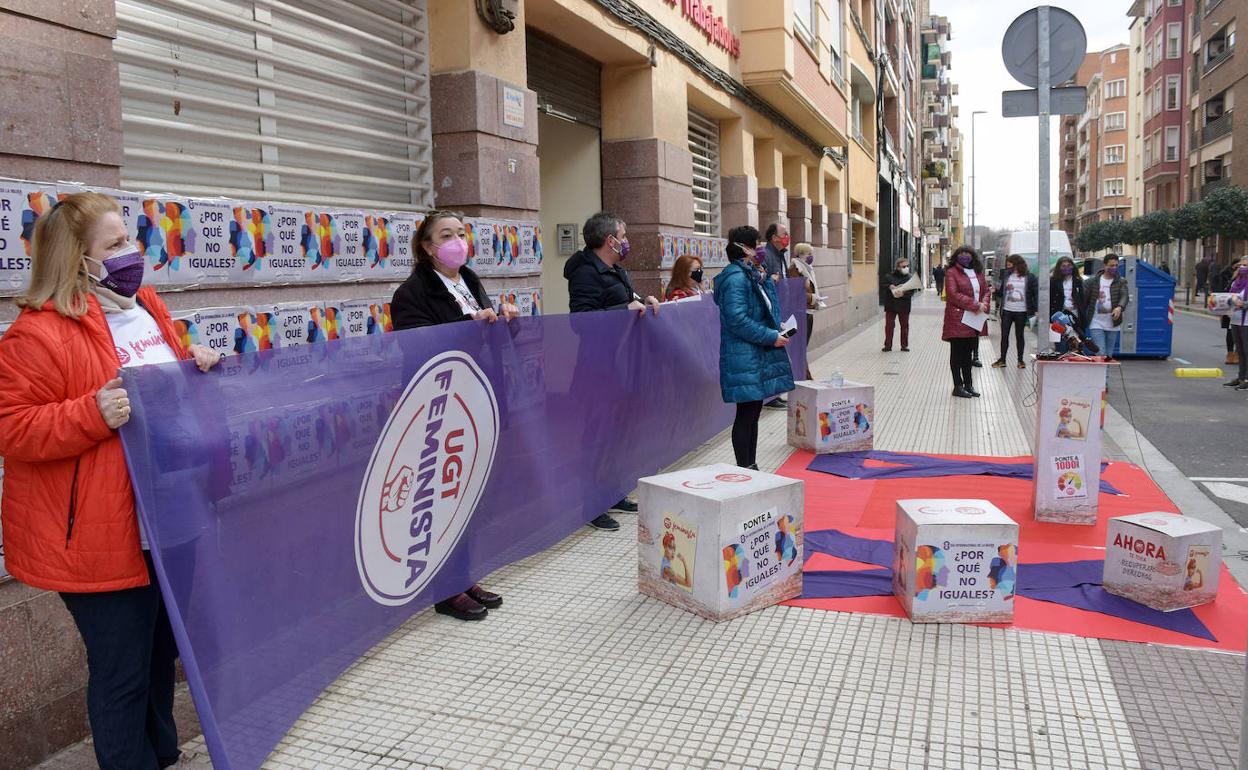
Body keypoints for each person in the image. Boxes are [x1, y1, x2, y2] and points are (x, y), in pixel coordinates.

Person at [0, 192, 223, 770]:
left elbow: (164, 388)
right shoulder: (36, 334)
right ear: (78, 260)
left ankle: (162, 756)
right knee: (121, 672)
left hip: (171, 514)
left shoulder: (143, 304)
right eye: (117, 243)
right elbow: (12, 427)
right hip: (103, 532)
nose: (134, 251)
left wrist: (192, 360)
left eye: (129, 237)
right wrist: (89, 414)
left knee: (158, 656)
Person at [391, 209, 518, 620]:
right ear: (427, 246)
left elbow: (487, 335)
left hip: (476, 400)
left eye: (461, 233)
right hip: (441, 407)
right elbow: (419, 351)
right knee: (440, 496)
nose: (457, 240)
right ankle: (444, 587)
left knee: (467, 491)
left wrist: (505, 322)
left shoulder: (470, 281)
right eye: (446, 234)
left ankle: (461, 574)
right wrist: (469, 325)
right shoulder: (411, 294)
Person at [564, 211, 659, 530]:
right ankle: (592, 505)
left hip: (622, 364)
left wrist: (641, 300)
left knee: (617, 433)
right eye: (624, 234)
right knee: (597, 436)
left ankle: (612, 491)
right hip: (598, 368)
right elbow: (581, 322)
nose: (627, 240)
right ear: (610, 240)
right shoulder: (585, 273)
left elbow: (625, 300)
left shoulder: (615, 269)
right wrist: (623, 310)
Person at [714, 225, 795, 468]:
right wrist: (770, 336)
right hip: (744, 355)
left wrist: (776, 325)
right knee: (746, 413)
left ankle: (752, 466)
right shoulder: (736, 278)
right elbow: (737, 320)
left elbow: (763, 308)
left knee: (753, 412)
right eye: (756, 245)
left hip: (755, 353)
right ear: (744, 248)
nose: (760, 249)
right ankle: (745, 467)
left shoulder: (751, 274)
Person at [941, 245, 990, 398]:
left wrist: (985, 303)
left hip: (974, 319)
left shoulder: (978, 273)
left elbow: (986, 291)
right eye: (961, 253)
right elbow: (953, 295)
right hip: (958, 318)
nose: (965, 256)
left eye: (968, 253)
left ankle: (969, 384)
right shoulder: (951, 273)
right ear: (956, 256)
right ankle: (958, 386)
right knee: (957, 354)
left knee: (968, 354)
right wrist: (976, 305)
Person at [991, 254, 1037, 369]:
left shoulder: (1029, 277)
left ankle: (1020, 360)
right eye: (1007, 265)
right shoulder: (1006, 275)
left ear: (1017, 264)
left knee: (1019, 335)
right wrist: (995, 291)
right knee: (1004, 335)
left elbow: (1035, 294)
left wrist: (1036, 309)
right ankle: (1002, 359)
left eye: (1010, 264)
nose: (1008, 267)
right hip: (1007, 310)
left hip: (1021, 311)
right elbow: (1001, 292)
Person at [1083, 252, 1130, 362]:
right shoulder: (1092, 281)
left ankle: (1105, 379)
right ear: (1105, 265)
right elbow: (1084, 298)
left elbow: (1124, 296)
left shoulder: (1121, 281)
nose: (1114, 268)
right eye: (1111, 265)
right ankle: (1100, 379)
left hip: (1113, 323)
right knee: (1100, 353)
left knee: (1108, 355)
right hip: (1096, 322)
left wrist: (1119, 307)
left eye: (1116, 265)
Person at [787, 242, 820, 376]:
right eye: (809, 254)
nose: (811, 256)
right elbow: (795, 292)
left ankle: (803, 375)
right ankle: (802, 375)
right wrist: (812, 297)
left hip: (808, 311)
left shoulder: (807, 268)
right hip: (800, 312)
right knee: (800, 347)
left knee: (803, 347)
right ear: (800, 254)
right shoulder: (795, 269)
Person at [1049, 255, 1087, 353]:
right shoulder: (1053, 281)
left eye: (1069, 265)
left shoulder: (1078, 281)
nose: (1066, 268)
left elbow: (1083, 299)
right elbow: (1050, 299)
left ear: (1073, 267)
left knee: (1075, 345)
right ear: (1059, 268)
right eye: (1063, 266)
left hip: (1075, 317)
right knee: (1060, 346)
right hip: (1059, 315)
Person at [881, 257, 919, 352]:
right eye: (904, 266)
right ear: (898, 267)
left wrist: (904, 293)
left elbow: (912, 291)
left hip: (904, 305)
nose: (906, 268)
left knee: (904, 326)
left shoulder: (910, 278)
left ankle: (904, 345)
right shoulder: (889, 276)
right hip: (891, 305)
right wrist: (889, 286)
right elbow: (882, 286)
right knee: (889, 326)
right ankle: (888, 345)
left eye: (907, 266)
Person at [1223, 256, 1248, 390]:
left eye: (1245, 265)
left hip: (1247, 321)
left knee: (1246, 350)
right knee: (1240, 351)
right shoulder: (1235, 282)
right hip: (1235, 319)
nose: (1242, 268)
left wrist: (1243, 304)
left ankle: (1247, 378)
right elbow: (1229, 298)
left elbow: (1242, 302)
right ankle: (1241, 376)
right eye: (1240, 266)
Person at [1214, 260, 1240, 366]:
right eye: (1240, 266)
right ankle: (1230, 354)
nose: (1241, 268)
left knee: (1241, 333)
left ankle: (1237, 354)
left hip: (1241, 310)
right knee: (1231, 331)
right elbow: (1223, 293)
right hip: (1231, 309)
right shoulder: (1229, 278)